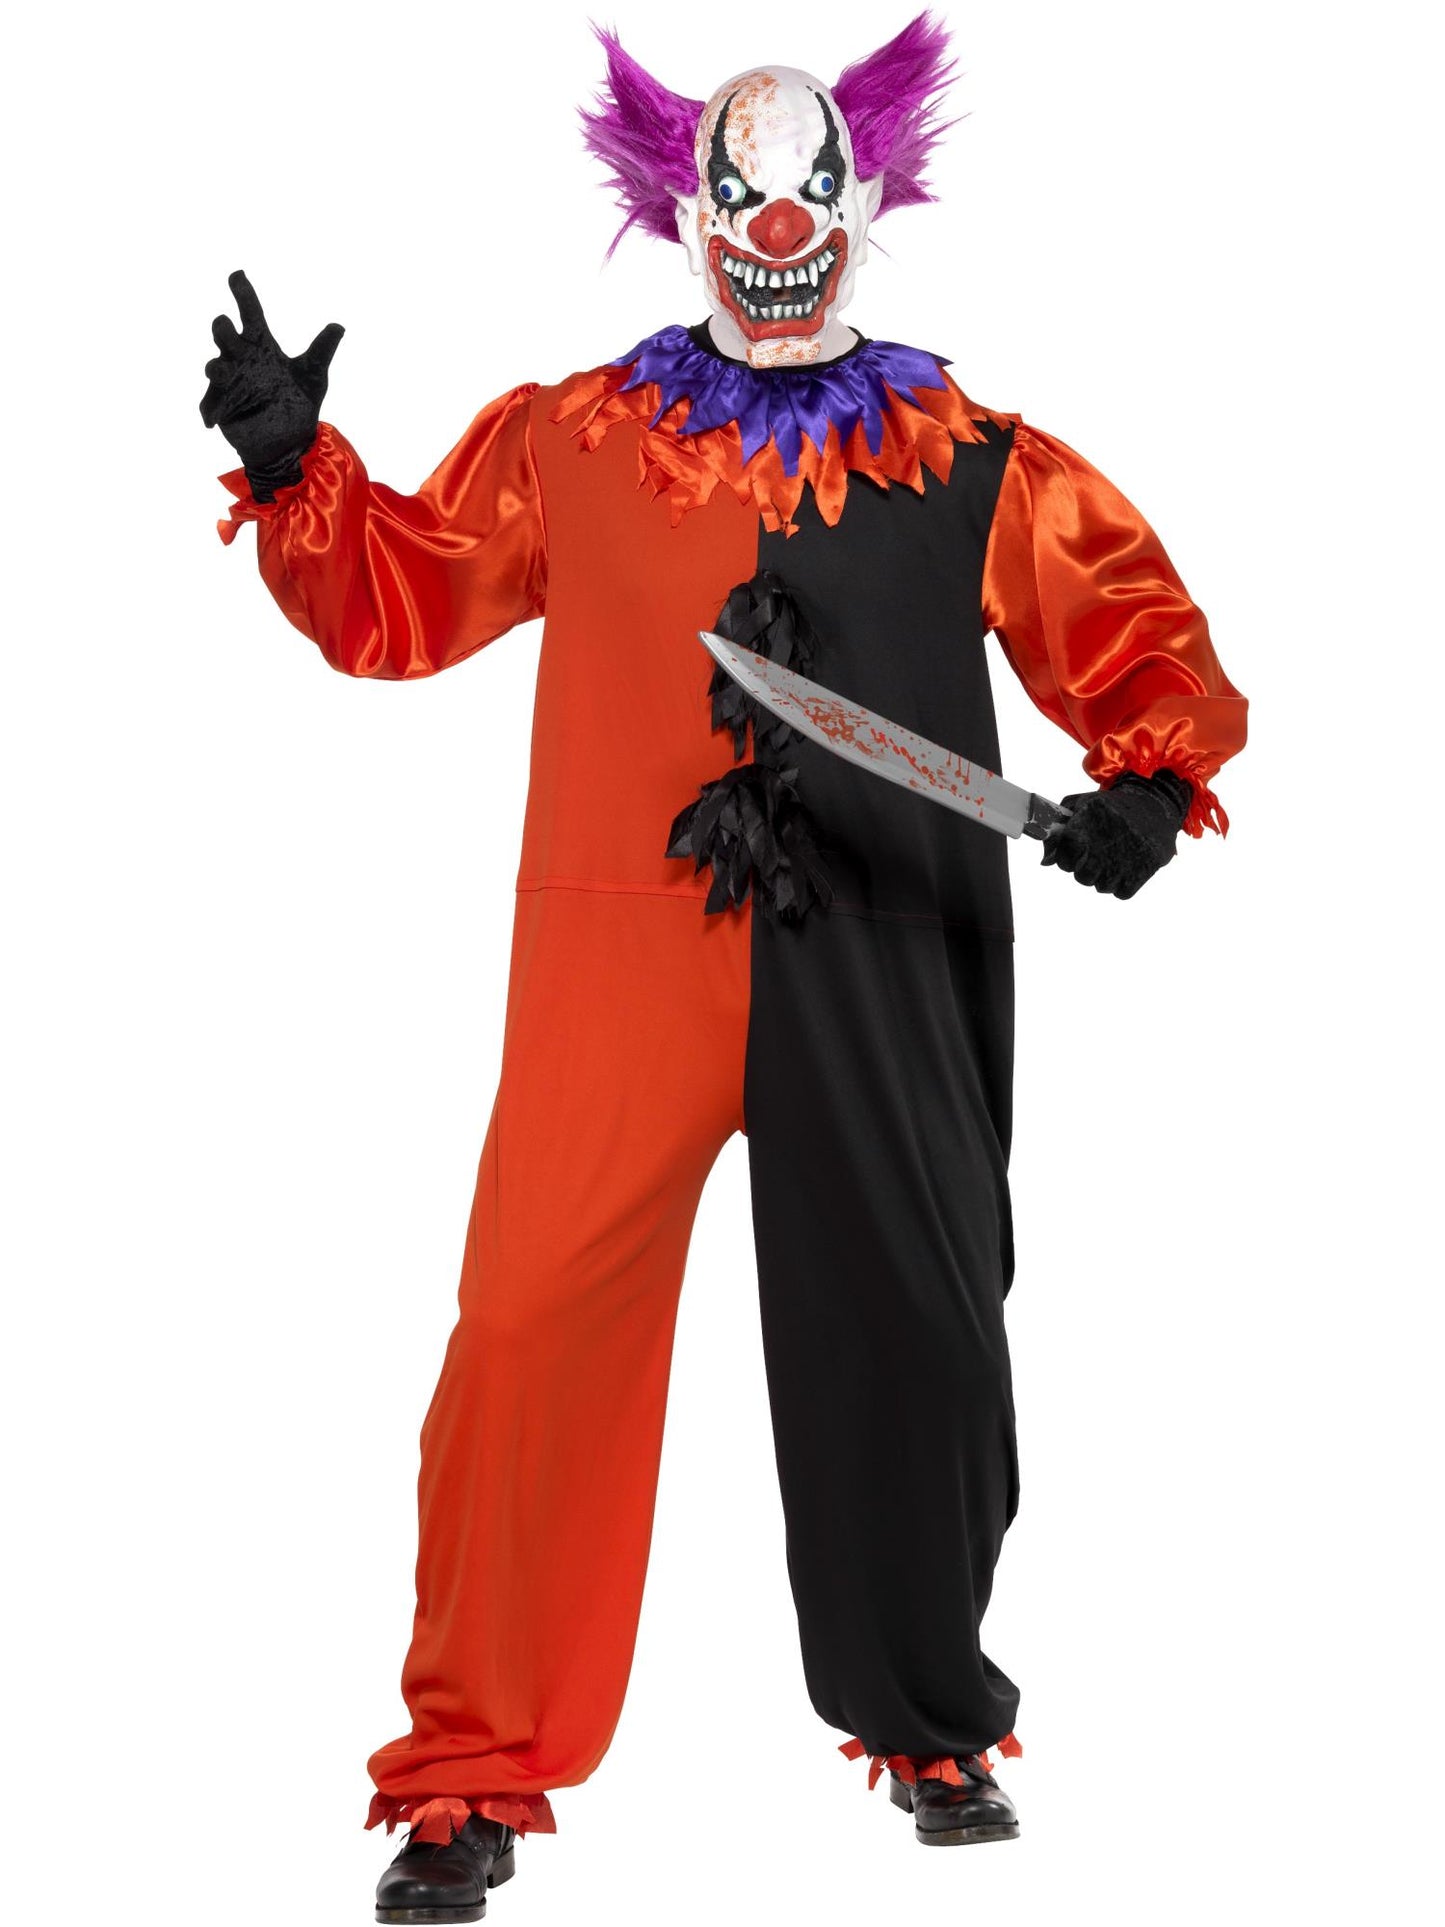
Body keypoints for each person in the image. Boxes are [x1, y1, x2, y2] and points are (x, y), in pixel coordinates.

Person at [200, 17, 1247, 1921]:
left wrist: (1146, 785)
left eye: (808, 194)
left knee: (922, 1337)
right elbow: (402, 602)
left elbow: (1131, 631)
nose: (775, 228)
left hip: (885, 935)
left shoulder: (973, 460)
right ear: (684, 215)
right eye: (741, 196)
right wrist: (296, 469)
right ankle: (471, 1771)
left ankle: (927, 1719)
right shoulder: (568, 440)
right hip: (621, 946)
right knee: (525, 1332)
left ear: (862, 209)